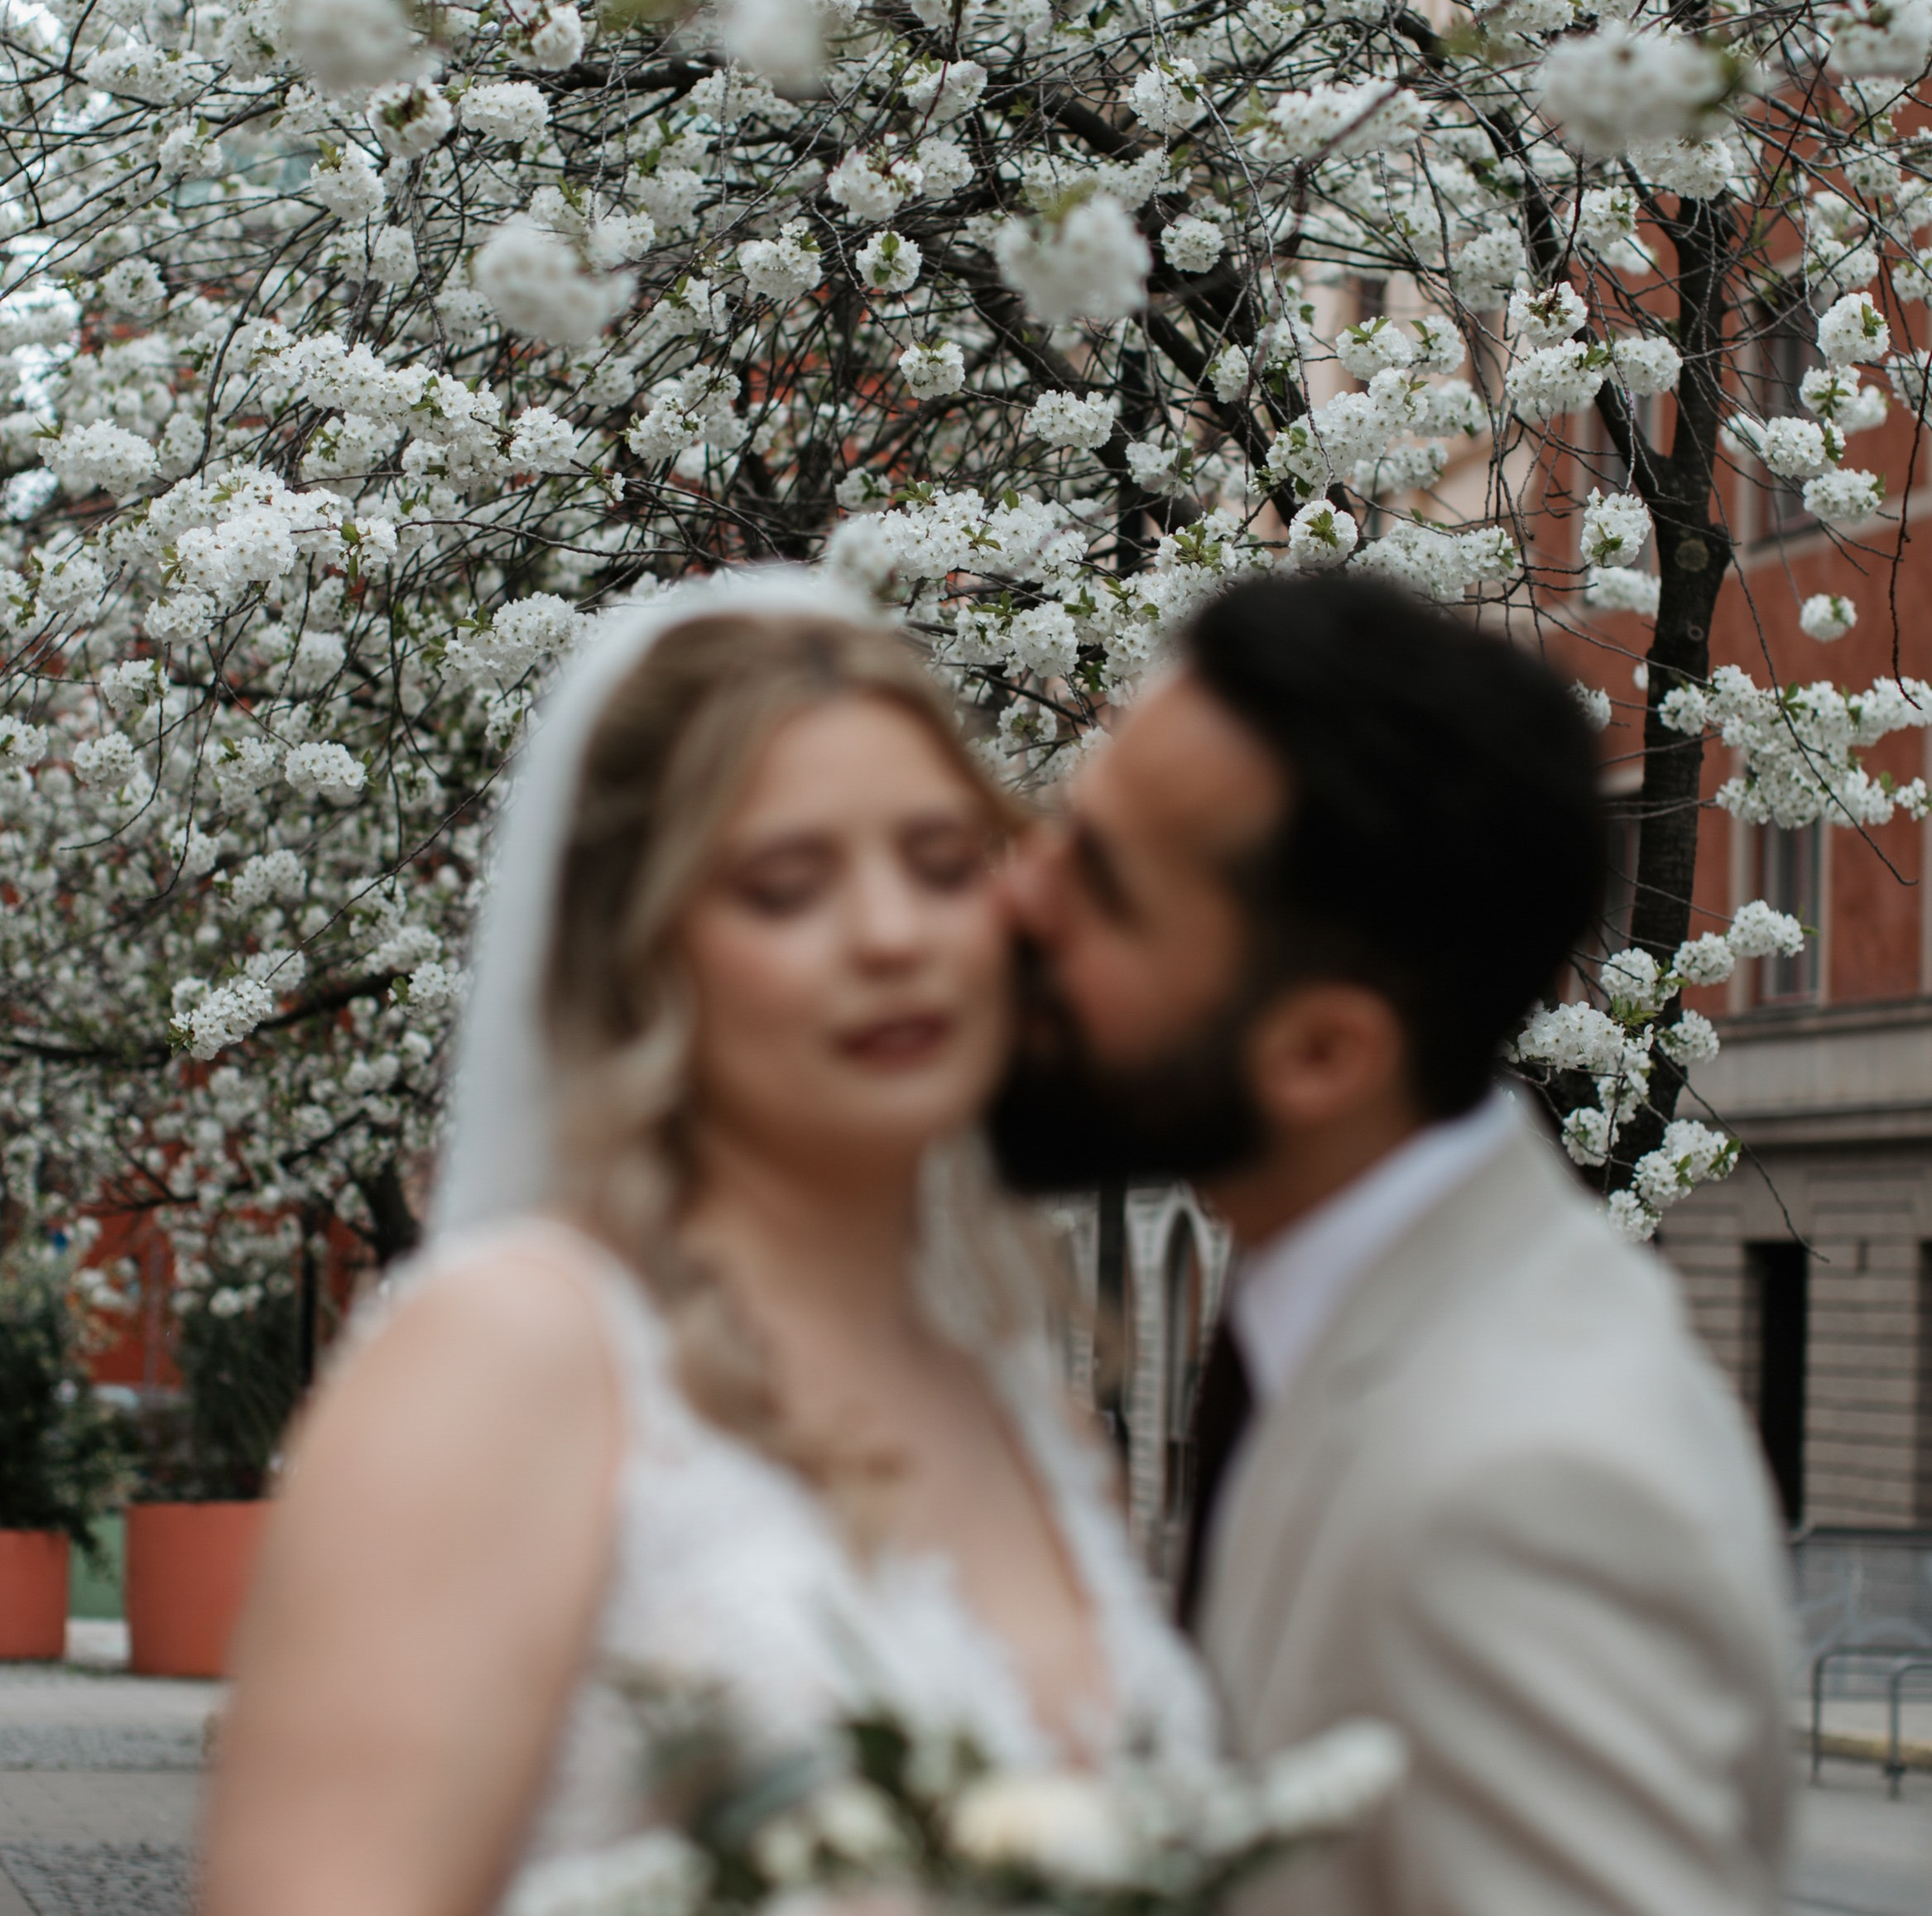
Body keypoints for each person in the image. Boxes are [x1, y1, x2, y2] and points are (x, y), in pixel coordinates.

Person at [201, 571, 1216, 1916]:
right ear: (639, 949)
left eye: (940, 863)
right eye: (785, 887)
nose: (891, 937)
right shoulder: (511, 1357)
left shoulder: (1016, 1390)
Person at [992, 568, 1793, 1916]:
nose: (1014, 900)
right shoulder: (1352, 1324)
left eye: (1100, 886)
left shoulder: (1521, 1492)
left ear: (1320, 1051)